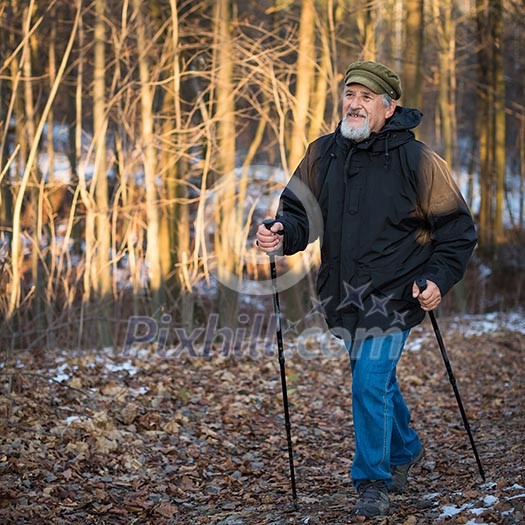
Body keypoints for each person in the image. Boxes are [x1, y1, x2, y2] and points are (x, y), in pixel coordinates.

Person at [256, 60, 477, 518]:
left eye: (365, 97)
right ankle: (407, 448)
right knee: (374, 382)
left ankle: (373, 480)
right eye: (349, 95)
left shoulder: (417, 161)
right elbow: (299, 215)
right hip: (341, 292)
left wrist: (436, 278)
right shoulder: (323, 154)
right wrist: (281, 233)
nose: (354, 104)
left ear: (388, 107)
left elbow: (456, 230)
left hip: (397, 294)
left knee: (369, 381)